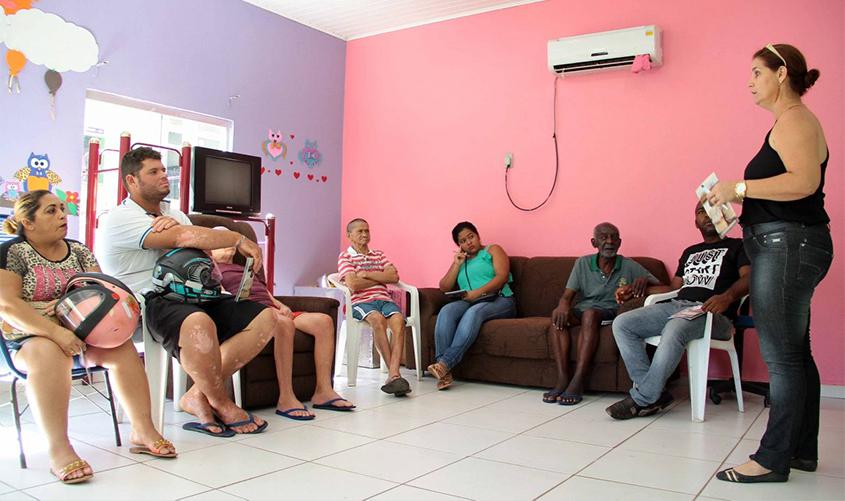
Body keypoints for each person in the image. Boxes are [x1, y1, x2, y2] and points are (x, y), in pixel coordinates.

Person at [706, 44, 832, 484]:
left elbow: (803, 182)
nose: (750, 80)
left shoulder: (796, 119)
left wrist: (739, 188)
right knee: (797, 354)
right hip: (789, 245)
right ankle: (800, 451)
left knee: (782, 360)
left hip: (788, 247)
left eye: (757, 72)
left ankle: (772, 458)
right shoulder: (788, 123)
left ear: (781, 75)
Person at [97, 147, 281, 436]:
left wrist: (182, 233)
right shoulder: (120, 218)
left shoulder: (174, 213)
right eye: (153, 172)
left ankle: (196, 395)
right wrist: (232, 237)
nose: (163, 176)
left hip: (195, 294)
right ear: (132, 181)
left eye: (163, 170)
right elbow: (185, 237)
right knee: (198, 321)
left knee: (265, 317)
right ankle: (221, 402)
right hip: (149, 300)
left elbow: (202, 248)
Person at [0, 191, 176, 484]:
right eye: (50, 211)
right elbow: (7, 304)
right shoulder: (12, 253)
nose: (61, 215)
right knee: (48, 353)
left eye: (62, 209)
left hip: (79, 333)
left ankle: (142, 430)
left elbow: (101, 292)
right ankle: (59, 449)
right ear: (27, 222)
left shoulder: (79, 251)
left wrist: (90, 311)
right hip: (26, 337)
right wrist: (55, 331)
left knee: (120, 348)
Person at [606, 201, 750, 419]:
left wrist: (727, 297)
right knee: (623, 323)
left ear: (724, 216)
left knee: (676, 326)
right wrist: (638, 290)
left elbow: (750, 278)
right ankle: (656, 393)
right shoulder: (690, 252)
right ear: (695, 222)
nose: (707, 215)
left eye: (713, 210)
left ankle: (643, 398)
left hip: (715, 314)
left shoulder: (738, 246)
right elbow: (674, 289)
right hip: (679, 306)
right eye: (701, 211)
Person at [209, 230, 355, 416]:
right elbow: (223, 298)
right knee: (284, 323)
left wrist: (281, 305)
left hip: (274, 309)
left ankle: (323, 391)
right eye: (222, 242)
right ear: (210, 249)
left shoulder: (245, 266)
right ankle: (286, 397)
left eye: (230, 240)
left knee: (324, 321)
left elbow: (264, 292)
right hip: (255, 315)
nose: (229, 244)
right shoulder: (213, 269)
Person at [544, 223, 659, 405]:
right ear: (594, 242)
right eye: (604, 237)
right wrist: (562, 305)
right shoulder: (582, 263)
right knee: (557, 317)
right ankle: (563, 378)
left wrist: (644, 282)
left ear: (620, 242)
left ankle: (578, 380)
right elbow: (567, 296)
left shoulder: (629, 266)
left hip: (609, 311)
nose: (609, 241)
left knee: (590, 314)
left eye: (614, 237)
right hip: (584, 309)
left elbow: (666, 288)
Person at [427, 222, 515, 390]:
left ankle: (445, 363)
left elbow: (502, 276)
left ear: (478, 235)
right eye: (462, 241)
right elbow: (444, 287)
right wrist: (457, 264)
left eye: (471, 237)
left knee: (473, 312)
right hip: (471, 301)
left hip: (500, 299)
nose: (468, 242)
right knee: (446, 311)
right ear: (459, 246)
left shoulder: (492, 250)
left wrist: (478, 292)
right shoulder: (462, 261)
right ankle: (443, 372)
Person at [337, 218, 410, 396]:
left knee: (399, 320)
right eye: (360, 231)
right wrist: (379, 276)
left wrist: (367, 275)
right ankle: (395, 375)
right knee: (377, 320)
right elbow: (353, 284)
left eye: (367, 231)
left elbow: (393, 276)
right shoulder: (345, 256)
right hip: (361, 302)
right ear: (349, 235)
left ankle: (393, 375)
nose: (364, 234)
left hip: (384, 299)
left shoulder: (378, 254)